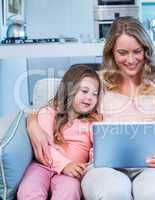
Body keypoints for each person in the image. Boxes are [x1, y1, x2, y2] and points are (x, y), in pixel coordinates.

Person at [27, 16, 155, 200]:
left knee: (153, 193)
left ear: (146, 51)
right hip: (103, 167)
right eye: (122, 53)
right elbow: (54, 106)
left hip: (154, 168)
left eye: (137, 51)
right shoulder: (96, 83)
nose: (131, 60)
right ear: (111, 53)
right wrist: (32, 124)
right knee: (112, 193)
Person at [18, 65, 101, 199]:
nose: (90, 97)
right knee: (29, 189)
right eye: (85, 91)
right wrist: (64, 165)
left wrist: (90, 160)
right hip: (42, 166)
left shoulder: (92, 122)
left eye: (95, 94)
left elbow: (98, 146)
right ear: (69, 90)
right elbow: (45, 147)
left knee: (69, 191)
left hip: (72, 172)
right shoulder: (48, 113)